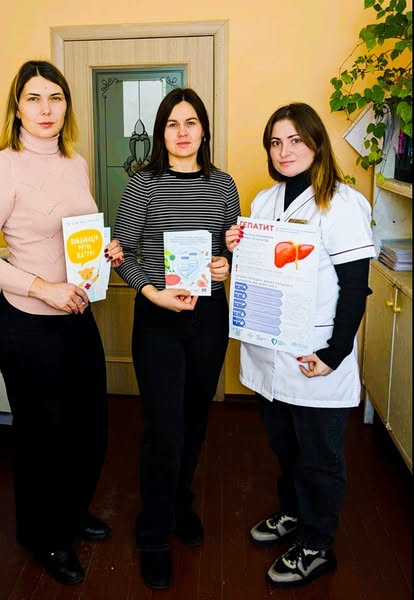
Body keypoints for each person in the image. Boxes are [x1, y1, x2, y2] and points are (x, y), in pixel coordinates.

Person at [0, 60, 124, 585]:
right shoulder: (2, 168)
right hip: (28, 326)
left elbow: (73, 236)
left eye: (55, 97)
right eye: (34, 98)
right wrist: (41, 286)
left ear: (66, 105)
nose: (46, 109)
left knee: (88, 427)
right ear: (17, 107)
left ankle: (71, 514)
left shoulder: (75, 163)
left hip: (76, 317)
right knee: (42, 437)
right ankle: (45, 536)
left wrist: (103, 254)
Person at [225, 102, 375, 587]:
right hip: (270, 349)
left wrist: (334, 354)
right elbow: (259, 270)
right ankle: (293, 513)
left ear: (315, 143)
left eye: (294, 140)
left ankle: (316, 545)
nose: (283, 151)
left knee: (319, 456)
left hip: (315, 354)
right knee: (285, 445)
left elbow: (355, 287)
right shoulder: (264, 201)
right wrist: (237, 247)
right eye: (275, 142)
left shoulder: (341, 203)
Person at [113, 87, 241, 590]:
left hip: (208, 317)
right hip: (158, 317)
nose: (182, 132)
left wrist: (224, 263)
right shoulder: (141, 185)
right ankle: (152, 532)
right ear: (160, 132)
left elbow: (230, 250)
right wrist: (152, 293)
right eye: (172, 124)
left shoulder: (223, 185)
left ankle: (180, 503)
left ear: (203, 130)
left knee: (194, 419)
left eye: (191, 123)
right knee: (163, 427)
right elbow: (122, 254)